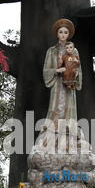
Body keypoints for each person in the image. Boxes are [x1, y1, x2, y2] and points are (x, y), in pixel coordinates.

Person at [36, 18, 82, 153]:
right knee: (56, 108)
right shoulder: (51, 51)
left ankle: (69, 137)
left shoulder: (74, 51)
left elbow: (79, 69)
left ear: (69, 35)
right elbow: (46, 70)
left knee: (69, 109)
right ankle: (51, 135)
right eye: (60, 32)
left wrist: (75, 74)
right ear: (57, 34)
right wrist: (57, 70)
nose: (63, 34)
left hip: (69, 85)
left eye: (65, 32)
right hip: (57, 85)